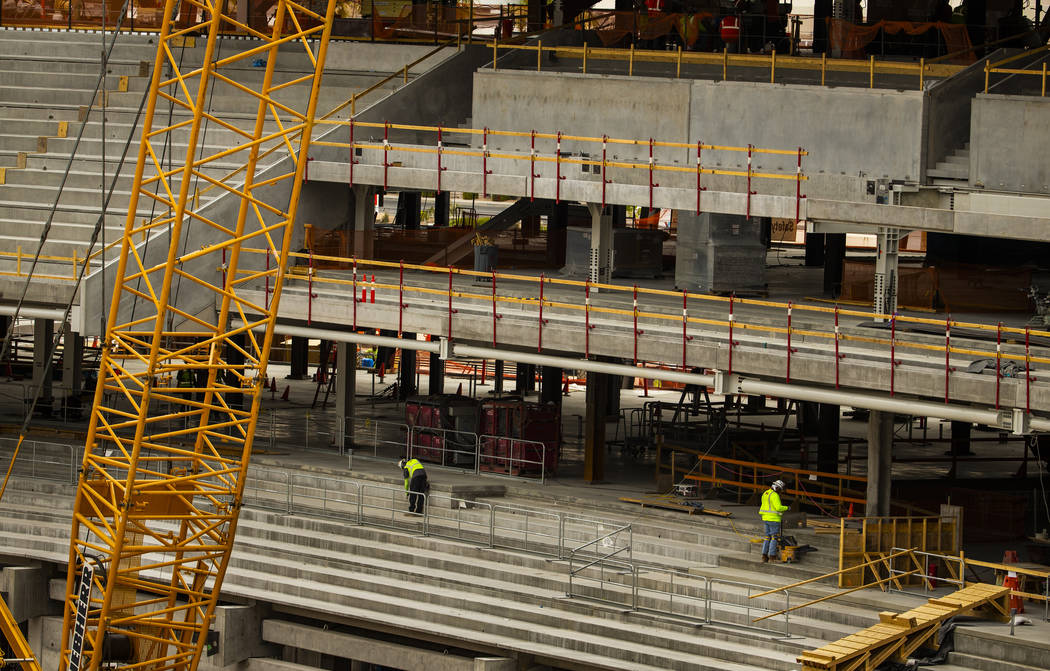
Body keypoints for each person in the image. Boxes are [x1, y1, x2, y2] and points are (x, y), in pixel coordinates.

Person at [759, 479, 789, 562]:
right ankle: (772, 556)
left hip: (765, 518)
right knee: (774, 538)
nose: (780, 492)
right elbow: (778, 508)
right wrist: (787, 508)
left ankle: (764, 556)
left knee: (767, 537)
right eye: (780, 490)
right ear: (777, 488)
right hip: (774, 519)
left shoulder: (766, 493)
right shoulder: (775, 495)